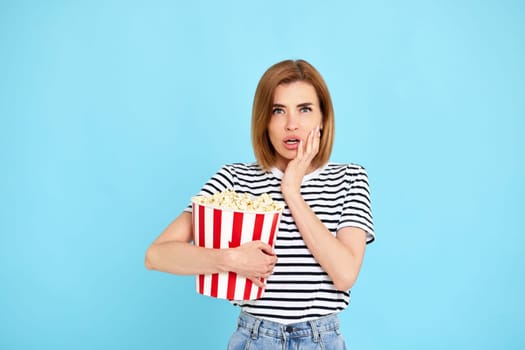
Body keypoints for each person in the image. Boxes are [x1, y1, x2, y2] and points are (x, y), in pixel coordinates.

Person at [145, 59, 375, 349]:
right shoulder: (233, 179)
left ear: (323, 118)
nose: (292, 124)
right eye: (278, 110)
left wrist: (291, 190)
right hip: (255, 339)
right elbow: (156, 255)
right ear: (264, 120)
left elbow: (344, 274)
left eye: (304, 109)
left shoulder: (350, 178)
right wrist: (230, 259)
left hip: (320, 340)